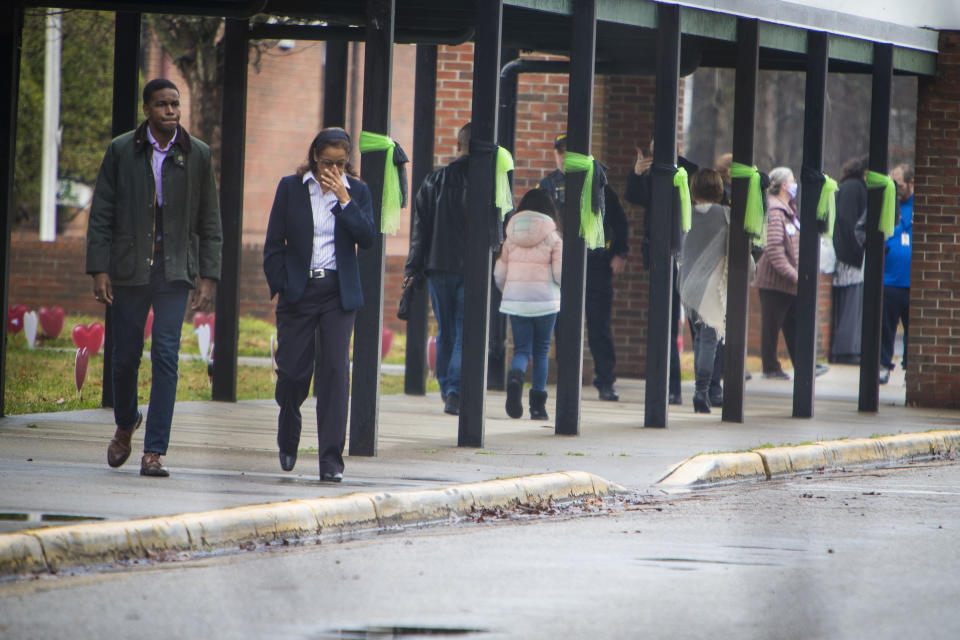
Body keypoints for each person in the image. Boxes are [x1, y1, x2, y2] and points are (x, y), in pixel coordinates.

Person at [86, 78, 222, 478]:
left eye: (175, 104)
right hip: (129, 268)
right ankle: (126, 422)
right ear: (147, 109)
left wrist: (208, 278)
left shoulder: (196, 154)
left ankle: (155, 451)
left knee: (166, 356)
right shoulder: (121, 150)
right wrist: (99, 268)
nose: (171, 111)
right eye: (162, 104)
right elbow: (101, 214)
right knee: (125, 355)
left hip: (175, 269)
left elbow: (210, 221)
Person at [263, 128, 375, 481]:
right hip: (298, 291)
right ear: (314, 157)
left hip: (338, 294)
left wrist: (344, 199)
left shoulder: (357, 192)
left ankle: (330, 461)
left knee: (335, 374)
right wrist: (282, 283)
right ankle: (289, 425)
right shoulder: (290, 188)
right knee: (293, 373)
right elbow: (272, 245)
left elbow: (367, 237)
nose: (333, 170)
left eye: (341, 164)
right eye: (328, 163)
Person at [538, 133, 628, 401]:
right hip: (560, 266)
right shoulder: (548, 186)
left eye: (569, 151)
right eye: (559, 152)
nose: (564, 157)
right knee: (563, 325)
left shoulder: (597, 181)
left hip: (596, 264)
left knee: (599, 325)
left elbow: (618, 221)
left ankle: (605, 381)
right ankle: (568, 379)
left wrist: (620, 252)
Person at [405, 123, 471, 415]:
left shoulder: (433, 181)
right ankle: (455, 390)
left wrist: (412, 268)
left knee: (446, 331)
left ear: (458, 146)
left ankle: (446, 389)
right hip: (470, 269)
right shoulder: (486, 183)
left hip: (436, 266)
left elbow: (421, 230)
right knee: (463, 329)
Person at [624, 140, 695, 405]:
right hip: (659, 254)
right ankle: (668, 386)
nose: (656, 156)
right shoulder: (652, 173)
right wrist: (638, 174)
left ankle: (689, 386)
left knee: (685, 325)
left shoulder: (688, 171)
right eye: (653, 151)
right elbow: (637, 198)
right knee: (662, 322)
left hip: (686, 254)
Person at [495, 189, 563, 420]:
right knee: (542, 350)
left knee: (522, 349)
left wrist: (511, 291)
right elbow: (559, 273)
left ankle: (515, 378)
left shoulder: (510, 236)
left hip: (517, 301)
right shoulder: (553, 238)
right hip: (545, 302)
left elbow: (499, 274)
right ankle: (537, 407)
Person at [678, 170, 729, 413]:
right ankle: (702, 391)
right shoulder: (725, 216)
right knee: (709, 339)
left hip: (687, 287)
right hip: (712, 286)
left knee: (699, 337)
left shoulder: (685, 214)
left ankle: (702, 390)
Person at [755, 167, 801, 379]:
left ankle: (802, 363)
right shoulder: (775, 210)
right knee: (771, 326)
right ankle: (770, 367)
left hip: (787, 282)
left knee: (793, 324)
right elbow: (773, 248)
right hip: (775, 281)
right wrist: (793, 274)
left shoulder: (787, 209)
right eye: (792, 181)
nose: (794, 185)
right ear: (783, 185)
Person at [830, 157, 868, 365]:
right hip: (850, 258)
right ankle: (845, 349)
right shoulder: (855, 189)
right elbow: (847, 222)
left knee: (852, 305)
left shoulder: (850, 187)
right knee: (850, 306)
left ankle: (849, 347)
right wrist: (855, 251)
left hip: (849, 256)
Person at [879, 163, 914, 385]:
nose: (894, 188)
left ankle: (911, 370)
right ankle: (883, 365)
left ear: (911, 183)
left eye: (898, 184)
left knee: (914, 331)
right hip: (889, 280)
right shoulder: (887, 203)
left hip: (913, 282)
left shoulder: (921, 206)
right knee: (885, 328)